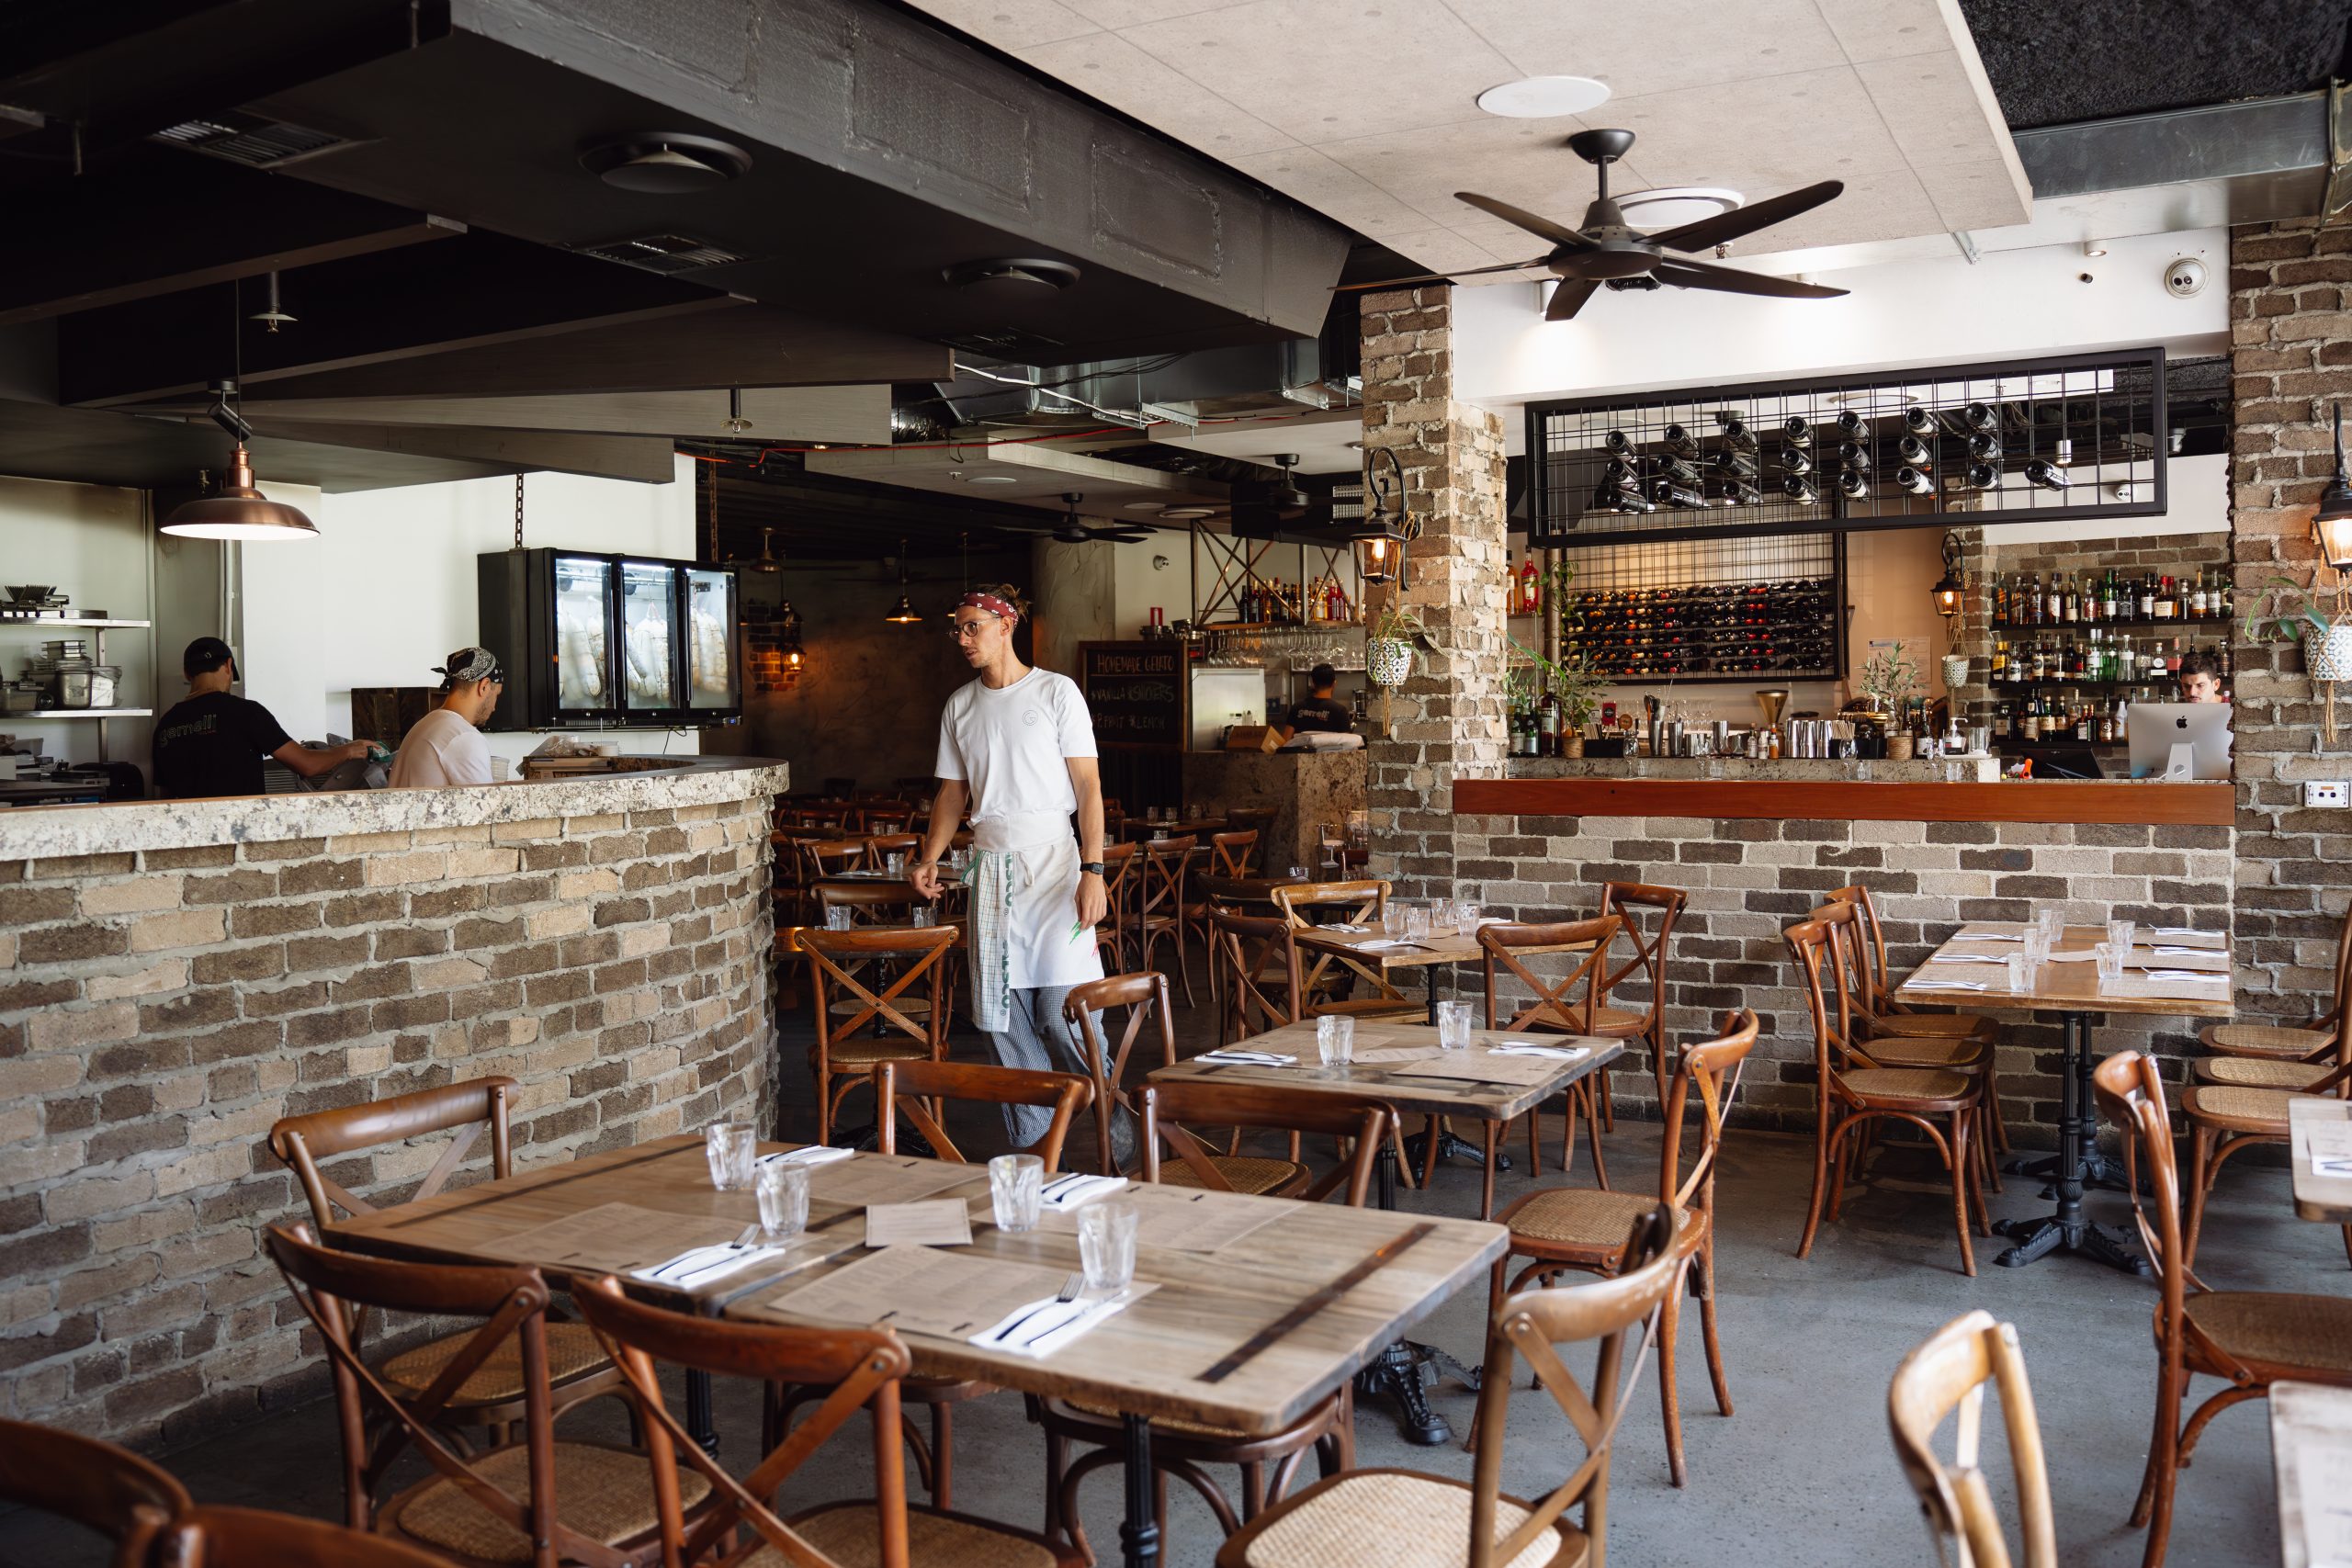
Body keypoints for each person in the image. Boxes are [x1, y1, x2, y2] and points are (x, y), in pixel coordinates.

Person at [907, 584, 1115, 1155]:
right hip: (990, 872)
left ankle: (1115, 1131)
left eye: (973, 625)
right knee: (998, 1015)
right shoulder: (960, 705)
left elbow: (1089, 785)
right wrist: (930, 856)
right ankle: (1033, 1143)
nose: (963, 638)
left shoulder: (1056, 692)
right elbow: (953, 794)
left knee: (1062, 1009)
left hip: (1055, 865)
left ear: (1007, 626)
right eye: (958, 628)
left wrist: (1093, 871)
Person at [152, 637, 372, 800]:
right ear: (228, 666)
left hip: (185, 840)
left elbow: (165, 796)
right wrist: (350, 750)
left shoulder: (165, 725)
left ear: (187, 673)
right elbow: (307, 765)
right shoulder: (245, 712)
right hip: (238, 836)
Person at [387, 647, 504, 788]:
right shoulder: (463, 736)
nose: (494, 707)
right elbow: (485, 806)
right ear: (484, 686)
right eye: (496, 695)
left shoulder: (425, 724)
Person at [1282, 663, 1354, 739]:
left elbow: (1286, 740)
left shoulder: (1297, 707)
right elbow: (1346, 743)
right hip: (1329, 751)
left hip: (1300, 751)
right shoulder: (1340, 711)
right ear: (1334, 684)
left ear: (1312, 683)